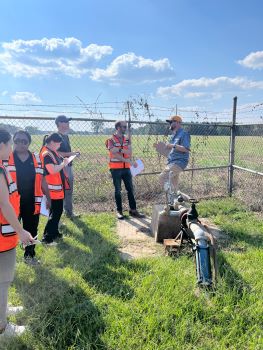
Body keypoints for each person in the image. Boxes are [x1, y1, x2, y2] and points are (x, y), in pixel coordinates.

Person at [0, 129, 34, 337]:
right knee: (2, 279)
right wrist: (20, 231)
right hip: (2, 239)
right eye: (11, 144)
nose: (13, 148)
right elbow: (4, 204)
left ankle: (3, 307)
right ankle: (2, 327)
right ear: (1, 146)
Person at [4, 130, 49, 265]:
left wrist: (49, 197)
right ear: (13, 141)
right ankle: (6, 259)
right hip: (11, 203)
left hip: (31, 202)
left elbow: (43, 180)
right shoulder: (6, 158)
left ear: (29, 143)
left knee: (31, 229)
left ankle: (29, 255)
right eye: (17, 141)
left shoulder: (36, 158)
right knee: (7, 230)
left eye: (24, 141)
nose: (20, 144)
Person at [105, 120, 145, 219]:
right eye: (124, 127)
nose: (125, 129)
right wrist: (123, 151)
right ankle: (119, 211)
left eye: (126, 127)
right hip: (115, 169)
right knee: (118, 190)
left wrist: (121, 150)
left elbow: (130, 152)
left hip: (126, 168)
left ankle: (133, 210)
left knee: (130, 189)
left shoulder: (127, 139)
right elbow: (114, 152)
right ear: (118, 127)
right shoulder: (110, 140)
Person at [40, 133, 70, 245]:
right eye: (59, 143)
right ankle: (47, 238)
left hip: (56, 189)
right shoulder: (46, 153)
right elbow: (52, 170)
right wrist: (63, 164)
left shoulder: (52, 151)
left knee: (57, 212)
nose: (60, 145)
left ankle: (54, 232)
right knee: (55, 213)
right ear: (52, 142)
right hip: (52, 190)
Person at [154, 115, 191, 196]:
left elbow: (186, 149)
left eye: (171, 122)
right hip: (172, 162)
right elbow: (172, 151)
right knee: (175, 188)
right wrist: (162, 148)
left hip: (179, 162)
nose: (169, 124)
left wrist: (172, 145)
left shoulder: (184, 134)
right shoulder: (172, 136)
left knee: (162, 177)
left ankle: (172, 199)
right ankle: (183, 201)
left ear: (177, 123)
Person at [55, 115, 80, 219]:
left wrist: (73, 154)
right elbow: (56, 152)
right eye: (66, 122)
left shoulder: (65, 136)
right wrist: (72, 153)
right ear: (60, 123)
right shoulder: (56, 136)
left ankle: (69, 211)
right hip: (60, 168)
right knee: (60, 191)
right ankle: (58, 214)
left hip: (68, 166)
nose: (68, 124)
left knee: (69, 190)